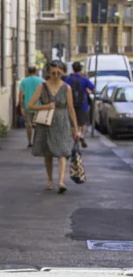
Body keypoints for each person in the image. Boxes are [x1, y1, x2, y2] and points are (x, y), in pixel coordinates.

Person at [28, 60, 79, 194]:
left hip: (62, 122)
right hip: (46, 123)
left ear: (62, 72)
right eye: (53, 73)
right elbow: (30, 106)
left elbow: (71, 108)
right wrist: (46, 106)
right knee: (48, 153)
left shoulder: (66, 88)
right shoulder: (42, 87)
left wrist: (75, 127)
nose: (56, 75)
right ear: (48, 73)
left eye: (58, 73)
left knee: (62, 152)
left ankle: (61, 182)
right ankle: (50, 180)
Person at [65, 62, 94, 148]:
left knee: (74, 123)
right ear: (80, 69)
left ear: (73, 69)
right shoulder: (84, 79)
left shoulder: (68, 79)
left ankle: (75, 137)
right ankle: (81, 135)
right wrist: (88, 91)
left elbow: (64, 89)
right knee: (84, 122)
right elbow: (92, 87)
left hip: (71, 104)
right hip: (83, 104)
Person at [20, 65, 45, 147]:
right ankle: (37, 142)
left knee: (28, 125)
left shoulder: (24, 81)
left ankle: (29, 141)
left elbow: (20, 95)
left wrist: (21, 107)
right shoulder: (41, 80)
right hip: (39, 106)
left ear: (28, 72)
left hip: (28, 106)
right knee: (39, 125)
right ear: (36, 72)